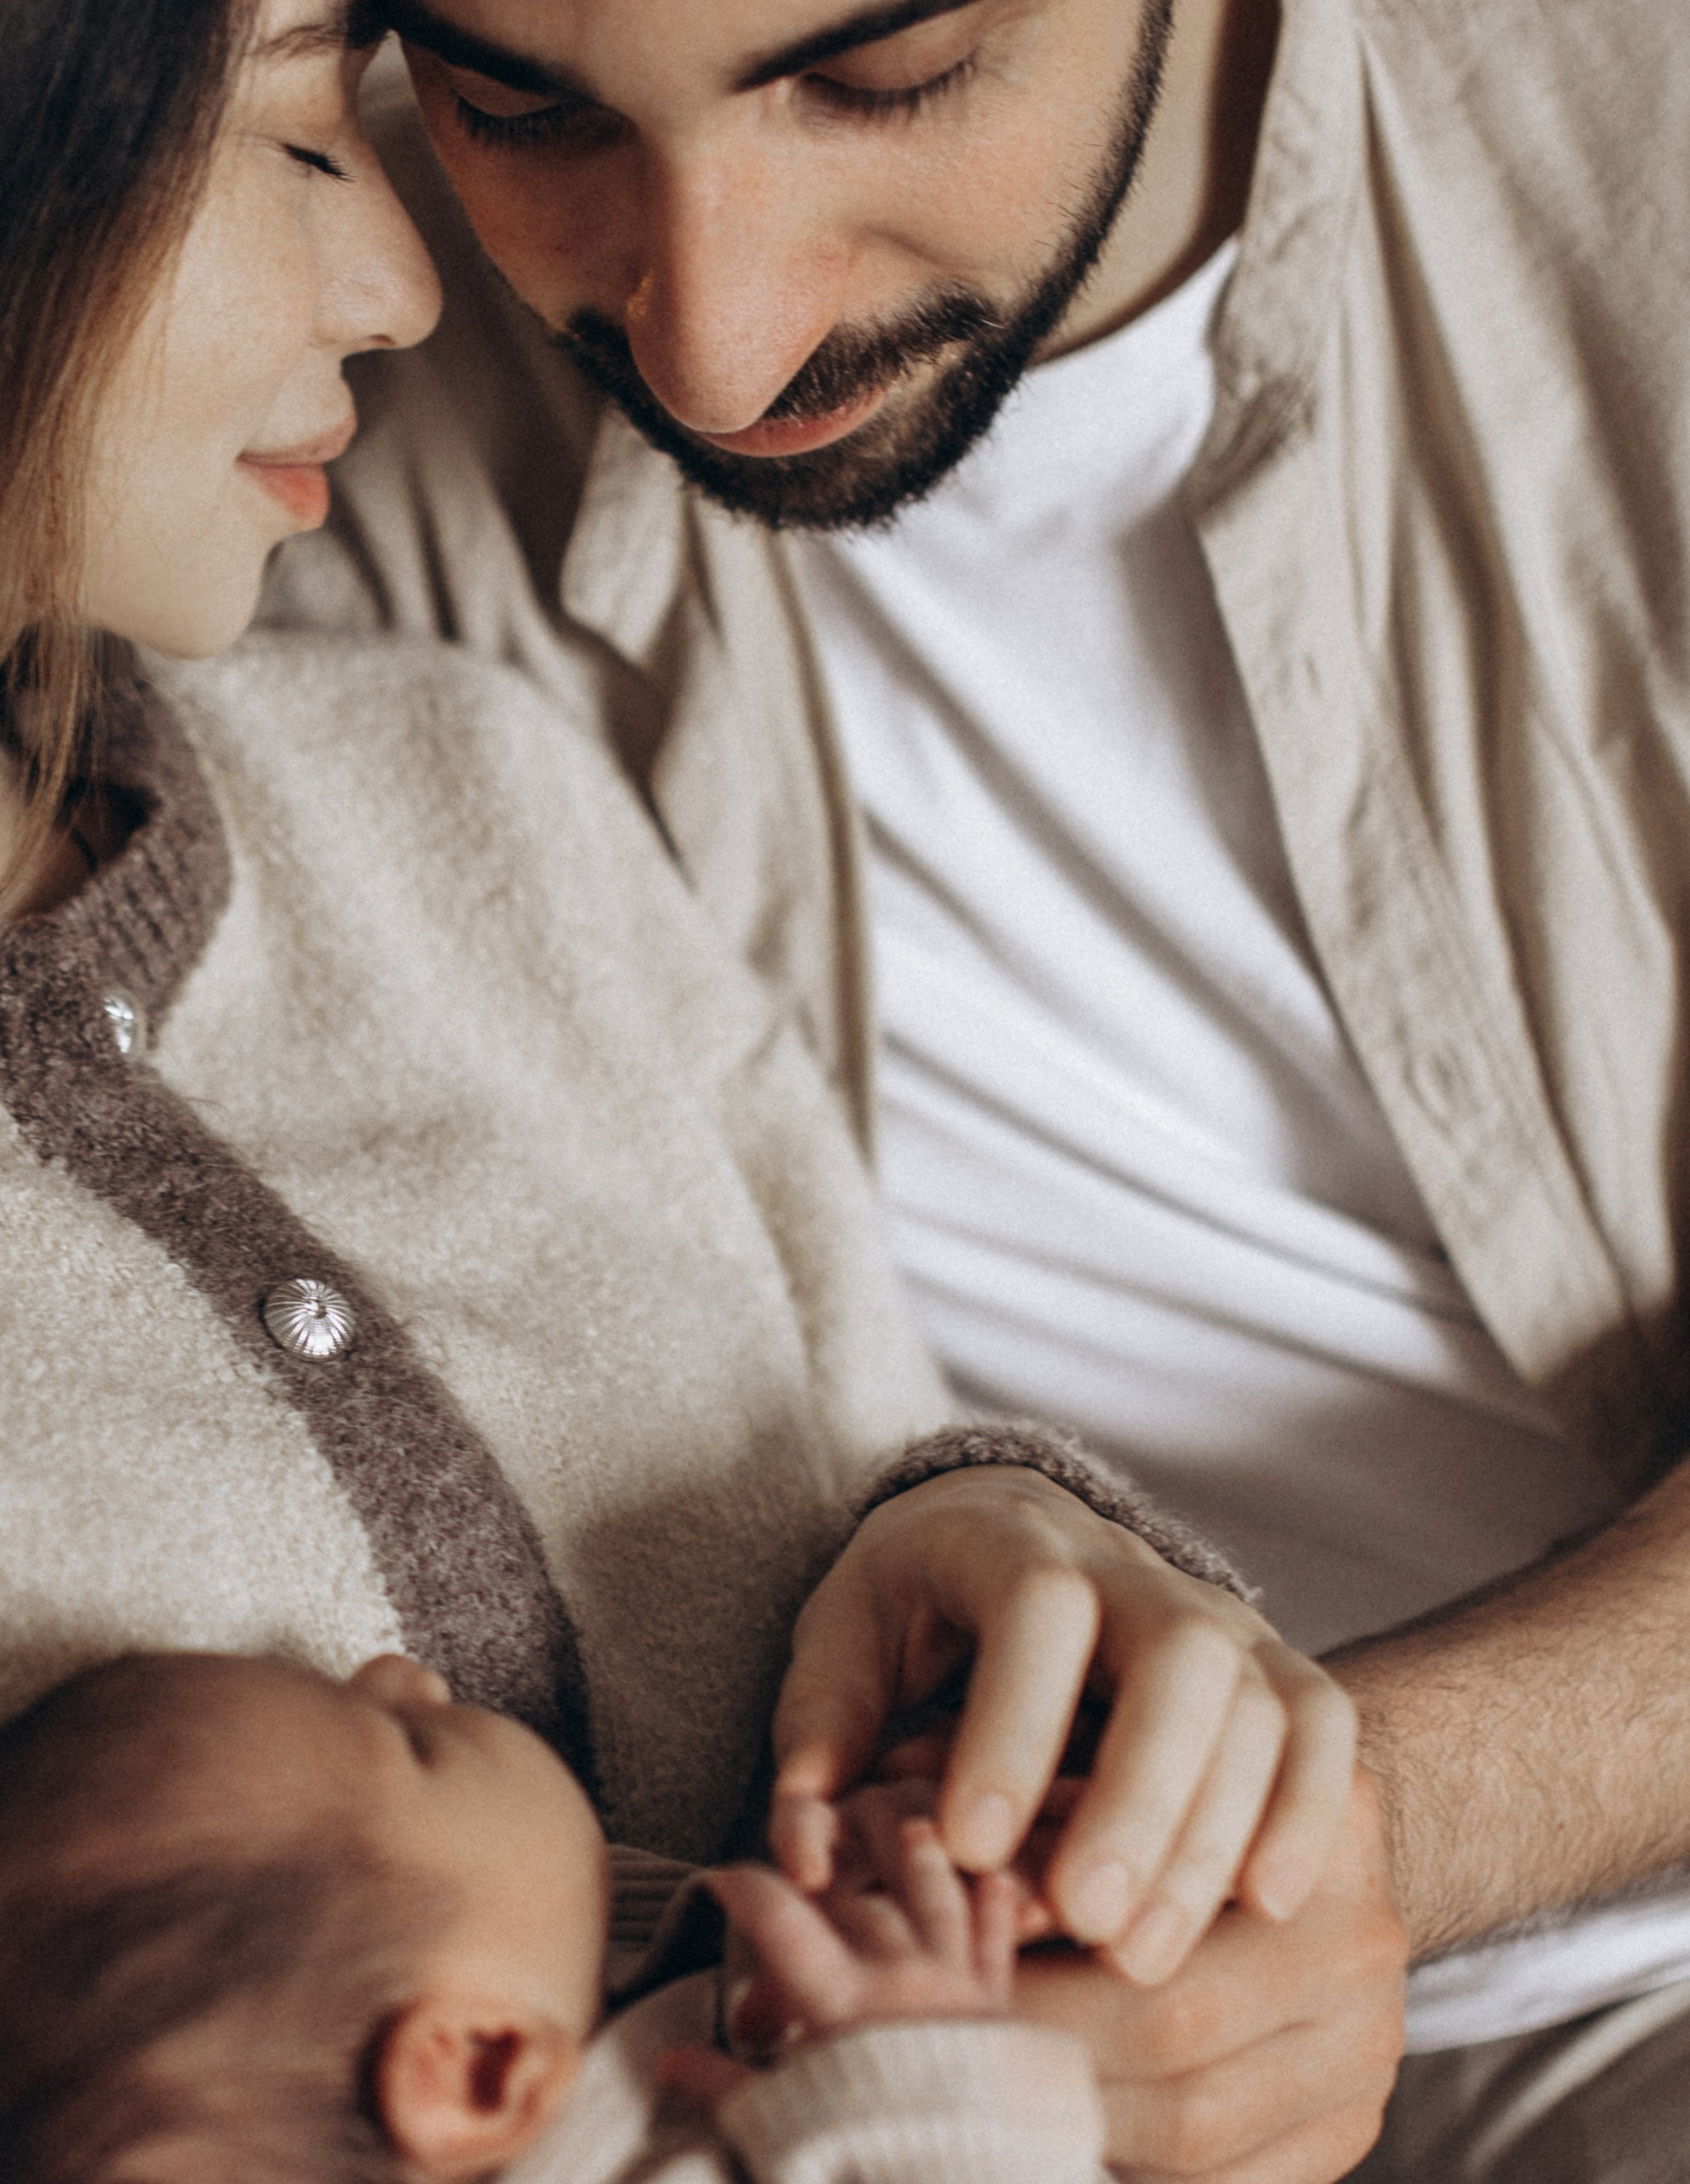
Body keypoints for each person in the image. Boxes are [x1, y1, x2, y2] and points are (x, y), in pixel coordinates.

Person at [0, 0, 1364, 2175]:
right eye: (301, 140)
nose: (406, 286)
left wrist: (984, 1537)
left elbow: (864, 1441)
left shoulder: (467, 791)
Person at [255, 0, 1690, 2176]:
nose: (711, 354)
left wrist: (1340, 1820)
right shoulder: (308, 389)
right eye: (520, 108)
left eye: (885, 75)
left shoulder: (1628, 159)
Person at [0, 1649, 1110, 2184]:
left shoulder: (571, 2074)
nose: (400, 1669)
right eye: (404, 1742)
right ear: (477, 2064)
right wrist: (927, 2067)